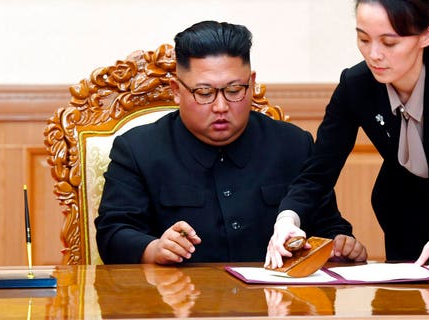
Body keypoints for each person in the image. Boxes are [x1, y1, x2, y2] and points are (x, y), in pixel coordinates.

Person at [265, 0, 429, 272]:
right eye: (363, 39)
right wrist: (287, 220)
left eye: (389, 43)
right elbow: (317, 174)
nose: (374, 55)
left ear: (427, 34)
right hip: (408, 228)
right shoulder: (355, 86)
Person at [95, 20, 367, 264]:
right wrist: (154, 248)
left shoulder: (293, 145)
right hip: (178, 306)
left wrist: (342, 244)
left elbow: (329, 228)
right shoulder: (137, 150)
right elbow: (112, 234)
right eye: (204, 93)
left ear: (252, 83)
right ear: (176, 91)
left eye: (234, 90)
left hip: (273, 305)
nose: (221, 106)